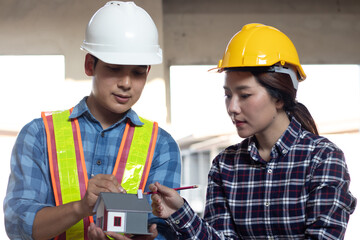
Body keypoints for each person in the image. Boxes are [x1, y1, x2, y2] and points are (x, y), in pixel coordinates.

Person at [149, 23, 357, 239]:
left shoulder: (323, 158)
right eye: (228, 95)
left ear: (278, 96)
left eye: (245, 95)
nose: (232, 108)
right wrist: (179, 212)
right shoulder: (225, 165)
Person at [3, 1, 181, 240]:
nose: (126, 83)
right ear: (90, 65)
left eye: (138, 72)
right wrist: (80, 208)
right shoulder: (40, 135)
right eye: (115, 68)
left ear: (148, 72)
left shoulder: (161, 146)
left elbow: (166, 230)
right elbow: (18, 225)